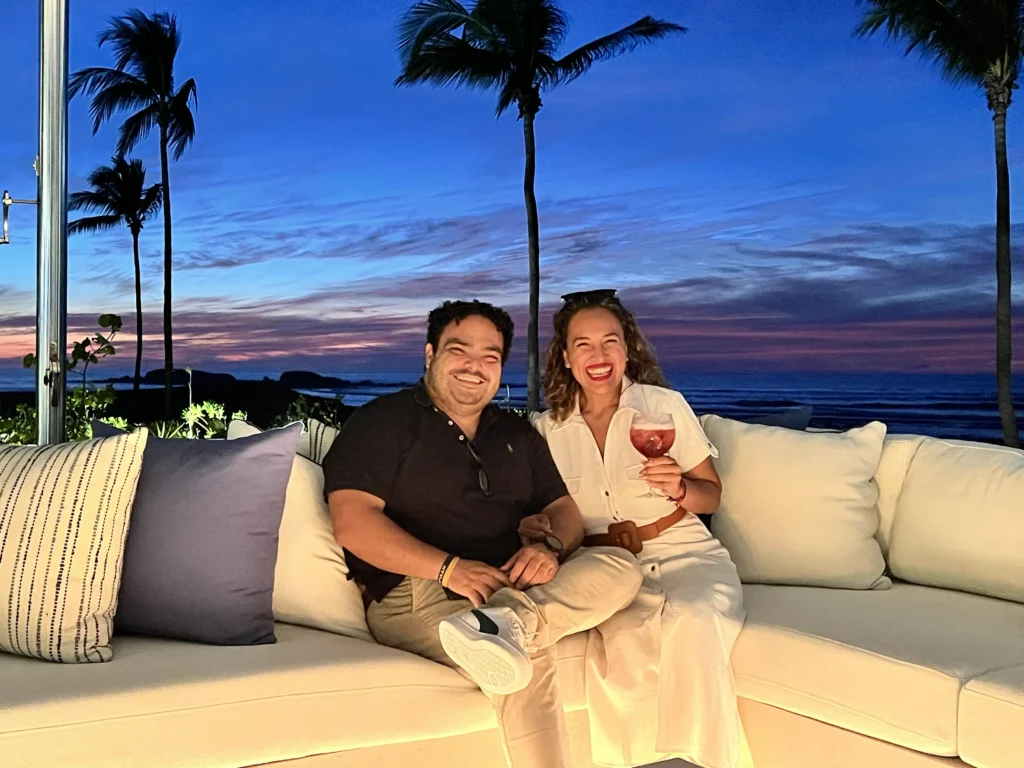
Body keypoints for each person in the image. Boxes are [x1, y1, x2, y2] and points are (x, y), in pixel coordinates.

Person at [323, 299, 644, 768]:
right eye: (460, 351)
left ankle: (504, 621)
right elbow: (352, 522)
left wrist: (550, 547)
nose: (476, 367)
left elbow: (564, 511)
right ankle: (502, 629)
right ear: (430, 355)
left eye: (490, 357)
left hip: (510, 581)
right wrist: (448, 569)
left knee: (622, 567)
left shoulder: (514, 433)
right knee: (519, 661)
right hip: (420, 591)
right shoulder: (383, 422)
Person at [530, 289, 749, 768]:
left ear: (627, 348)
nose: (599, 355)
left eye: (610, 341)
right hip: (606, 565)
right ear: (565, 358)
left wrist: (679, 489)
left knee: (693, 619)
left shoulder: (661, 407)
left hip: (685, 550)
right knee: (622, 653)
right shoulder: (549, 429)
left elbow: (710, 494)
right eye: (583, 345)